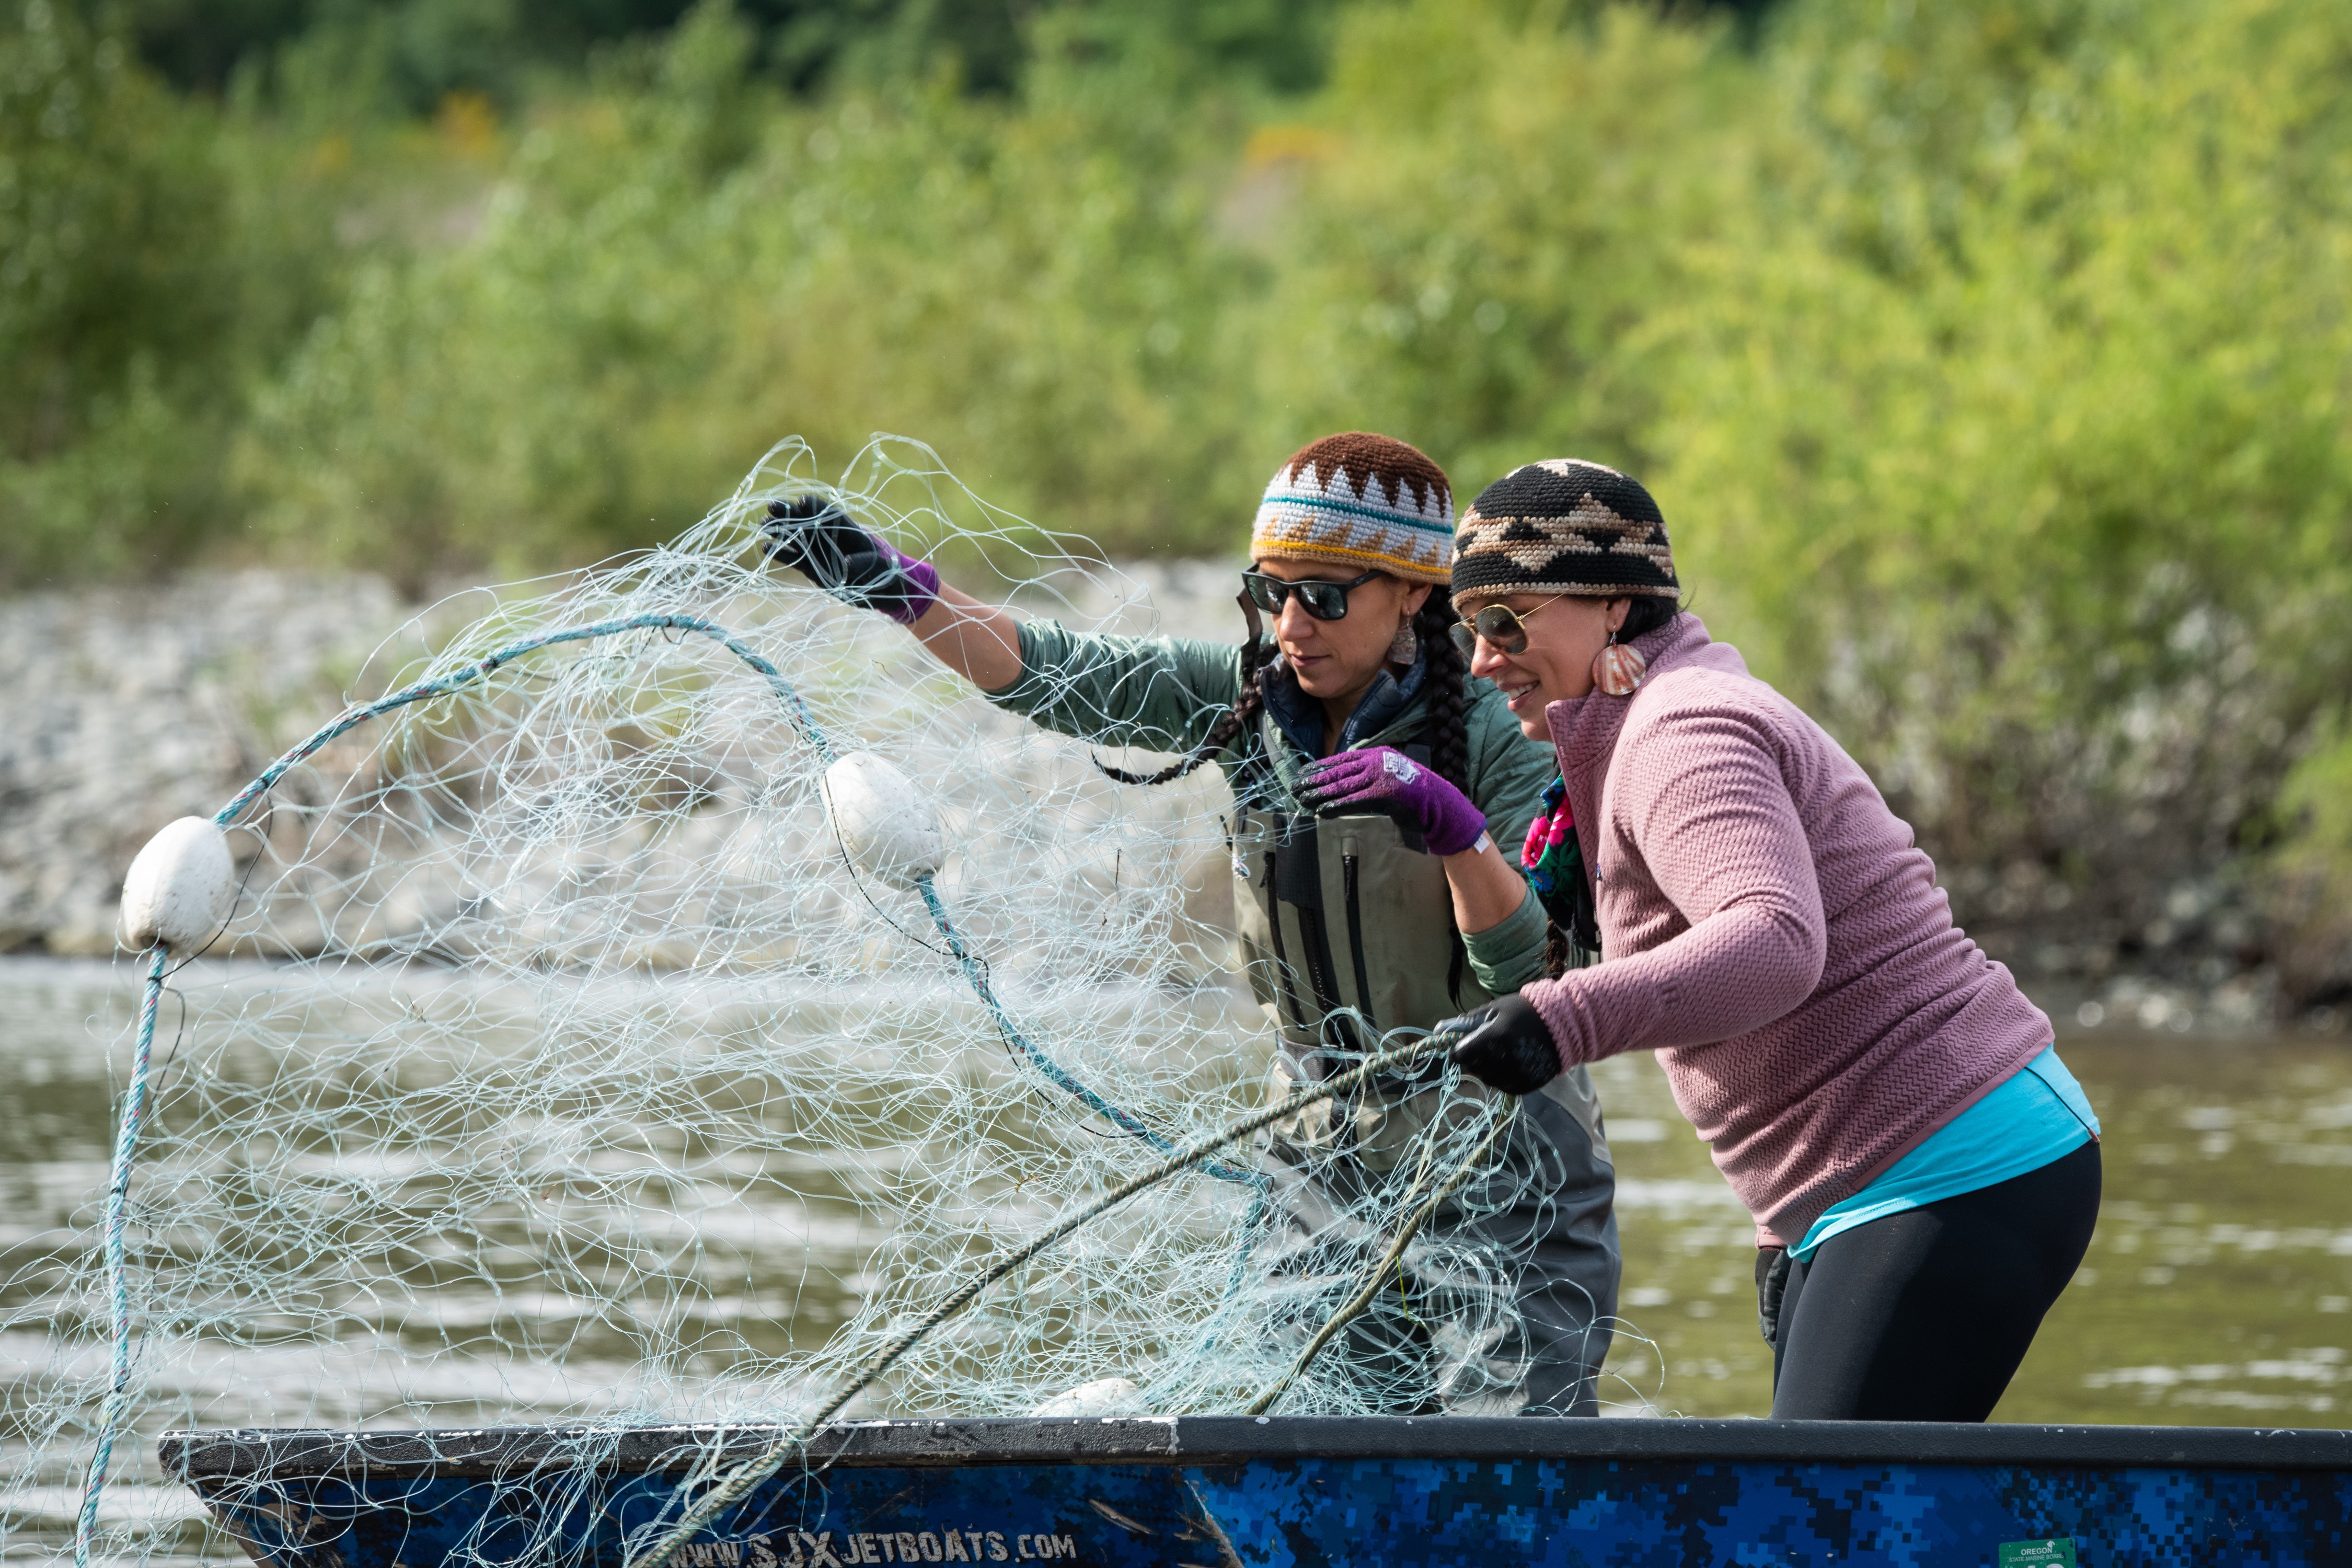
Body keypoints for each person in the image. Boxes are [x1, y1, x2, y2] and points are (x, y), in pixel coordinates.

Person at [762, 433, 1620, 1414]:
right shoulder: (1245, 700)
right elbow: (1058, 673)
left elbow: (1537, 965)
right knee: (1314, 1453)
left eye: (1327, 596)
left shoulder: (1501, 726)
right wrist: (897, 591)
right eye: (1271, 592)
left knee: (1504, 1472)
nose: (1294, 625)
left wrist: (1456, 830)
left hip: (1501, 1154)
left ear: (1414, 595)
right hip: (1322, 1154)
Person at [1435, 458, 2102, 1423]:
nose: (1482, 659)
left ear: (1615, 608)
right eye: (1469, 628)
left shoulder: (1679, 735)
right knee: (1844, 1524)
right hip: (1869, 1180)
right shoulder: (1642, 718)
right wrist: (1782, 1229)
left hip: (1957, 1160)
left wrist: (1561, 1021)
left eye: (1507, 621)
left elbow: (1775, 942)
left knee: (1819, 1525)